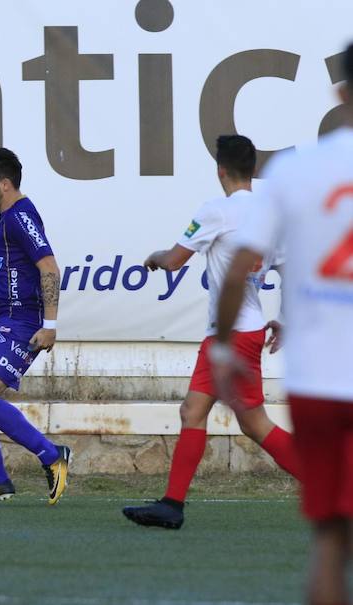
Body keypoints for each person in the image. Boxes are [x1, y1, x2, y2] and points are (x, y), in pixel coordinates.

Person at [211, 43, 353, 605]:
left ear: (339, 93)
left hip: (318, 382)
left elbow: (235, 274)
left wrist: (222, 353)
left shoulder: (296, 171)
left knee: (327, 540)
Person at [122, 135, 301, 529]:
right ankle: (172, 504)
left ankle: (173, 505)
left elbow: (172, 261)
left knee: (223, 417)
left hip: (228, 332)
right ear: (253, 170)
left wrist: (152, 259)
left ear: (220, 169)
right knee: (232, 419)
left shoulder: (216, 211)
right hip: (250, 329)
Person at [0, 147, 72, 508]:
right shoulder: (8, 217)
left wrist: (49, 325)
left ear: (4, 184)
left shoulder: (20, 217)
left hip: (22, 324)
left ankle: (52, 454)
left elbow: (49, 267)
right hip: (6, 318)